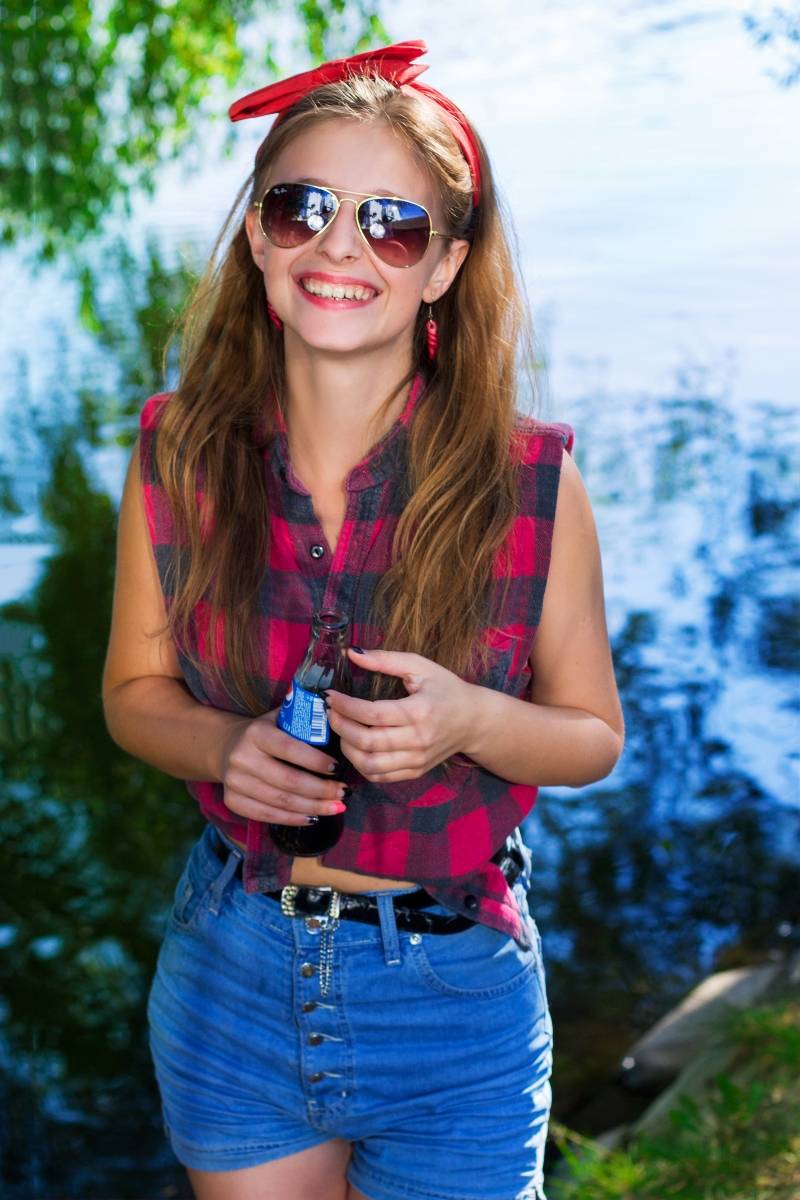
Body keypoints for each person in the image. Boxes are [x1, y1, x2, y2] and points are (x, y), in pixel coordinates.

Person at [101, 39, 624, 1200]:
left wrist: (471, 720)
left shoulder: (530, 483)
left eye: (391, 224)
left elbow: (590, 736)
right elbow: (134, 699)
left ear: (442, 266)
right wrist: (224, 747)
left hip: (454, 997)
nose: (339, 246)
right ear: (257, 236)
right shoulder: (176, 454)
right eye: (303, 208)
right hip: (235, 965)